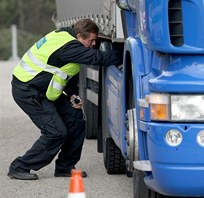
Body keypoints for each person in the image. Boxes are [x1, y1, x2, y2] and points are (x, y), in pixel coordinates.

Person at [7, 19, 123, 180]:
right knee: (56, 132)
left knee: (76, 119)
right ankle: (19, 166)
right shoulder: (68, 47)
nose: (94, 44)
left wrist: (73, 95)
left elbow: (65, 71)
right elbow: (99, 58)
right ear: (79, 36)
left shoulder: (64, 36)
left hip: (43, 89)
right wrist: (124, 51)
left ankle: (65, 167)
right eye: (91, 40)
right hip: (28, 91)